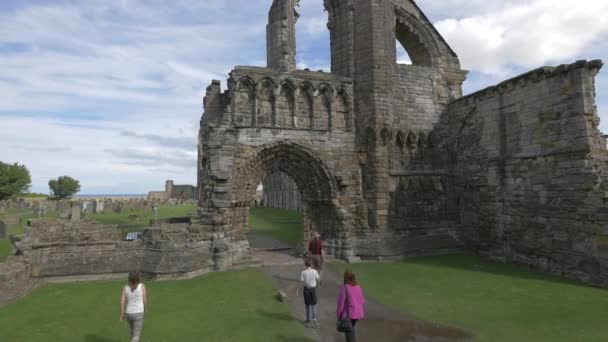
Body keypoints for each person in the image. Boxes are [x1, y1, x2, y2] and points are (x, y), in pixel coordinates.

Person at [336, 270, 365, 342]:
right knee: (351, 330)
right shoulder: (358, 287)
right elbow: (362, 301)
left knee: (349, 334)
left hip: (348, 315)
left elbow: (341, 304)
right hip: (358, 314)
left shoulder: (345, 287)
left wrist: (338, 316)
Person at [120, 271, 147, 342]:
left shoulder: (125, 288)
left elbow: (122, 302)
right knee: (136, 335)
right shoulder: (142, 286)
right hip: (138, 313)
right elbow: (144, 300)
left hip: (128, 314)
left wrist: (122, 314)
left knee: (132, 331)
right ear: (138, 278)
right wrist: (145, 309)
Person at [298, 260, 321, 328]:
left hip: (306, 290)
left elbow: (301, 282)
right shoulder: (314, 271)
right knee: (314, 305)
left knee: (308, 306)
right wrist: (319, 284)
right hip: (313, 290)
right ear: (310, 265)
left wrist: (297, 290)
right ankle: (314, 320)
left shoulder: (303, 272)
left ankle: (308, 321)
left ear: (305, 265)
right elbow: (318, 279)